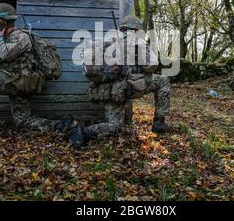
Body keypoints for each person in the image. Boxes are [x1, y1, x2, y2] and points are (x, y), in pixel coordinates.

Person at [0, 3, 75, 137]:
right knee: (23, 121)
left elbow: (5, 53)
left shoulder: (20, 36)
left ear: (3, 21)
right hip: (17, 80)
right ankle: (62, 126)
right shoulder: (8, 37)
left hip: (18, 80)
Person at [70, 15, 177, 147]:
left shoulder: (107, 42)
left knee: (114, 125)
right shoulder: (138, 42)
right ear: (137, 29)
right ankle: (159, 122)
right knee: (163, 80)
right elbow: (151, 66)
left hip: (109, 91)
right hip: (127, 89)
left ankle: (84, 131)